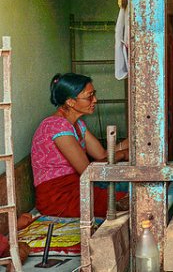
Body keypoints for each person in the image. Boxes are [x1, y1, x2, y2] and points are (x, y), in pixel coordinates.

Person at [31, 73, 129, 217]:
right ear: (70, 102)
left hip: (77, 186)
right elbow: (86, 170)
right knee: (128, 200)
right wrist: (124, 154)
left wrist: (132, 141)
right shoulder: (56, 126)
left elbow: (102, 154)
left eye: (94, 94)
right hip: (58, 197)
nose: (95, 100)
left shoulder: (77, 125)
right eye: (89, 96)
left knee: (130, 194)